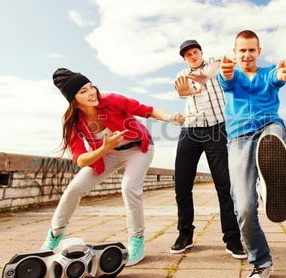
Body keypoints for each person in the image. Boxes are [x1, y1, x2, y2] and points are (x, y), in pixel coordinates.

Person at [43, 68, 185, 267]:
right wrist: (105, 148)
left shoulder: (111, 100)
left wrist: (171, 118)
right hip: (105, 154)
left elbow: (147, 109)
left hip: (138, 149)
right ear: (73, 99)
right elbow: (81, 159)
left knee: (129, 188)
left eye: (90, 86)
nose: (92, 92)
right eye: (83, 91)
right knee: (73, 189)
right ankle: (55, 234)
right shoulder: (73, 122)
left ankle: (136, 241)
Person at [218, 30, 286, 278]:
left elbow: (278, 77)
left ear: (259, 51)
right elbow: (225, 80)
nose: (247, 55)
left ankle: (283, 185)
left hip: (269, 126)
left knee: (273, 140)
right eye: (242, 50)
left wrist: (283, 74)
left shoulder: (268, 73)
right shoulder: (230, 73)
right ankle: (261, 261)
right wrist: (226, 72)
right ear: (235, 52)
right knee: (245, 208)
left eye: (252, 50)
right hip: (238, 137)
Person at [170, 40, 246, 258]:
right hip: (191, 129)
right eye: (187, 55)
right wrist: (190, 90)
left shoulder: (214, 63)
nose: (192, 56)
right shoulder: (182, 74)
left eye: (195, 52)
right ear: (184, 59)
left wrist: (204, 77)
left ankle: (232, 238)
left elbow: (216, 68)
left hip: (218, 129)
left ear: (201, 52)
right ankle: (185, 234)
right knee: (182, 185)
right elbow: (185, 91)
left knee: (224, 185)